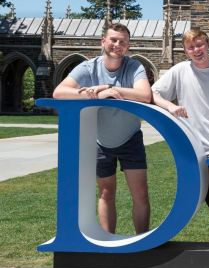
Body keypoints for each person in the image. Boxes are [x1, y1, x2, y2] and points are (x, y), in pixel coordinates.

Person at [52, 23, 152, 234]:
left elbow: (144, 95)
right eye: (113, 40)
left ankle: (143, 244)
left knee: (141, 194)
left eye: (122, 41)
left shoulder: (134, 67)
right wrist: (95, 94)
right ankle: (108, 242)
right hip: (99, 141)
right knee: (106, 193)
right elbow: (59, 93)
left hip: (130, 138)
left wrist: (109, 88)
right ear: (103, 41)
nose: (117, 45)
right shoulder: (89, 67)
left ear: (128, 46)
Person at [151, 28, 209, 221]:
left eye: (200, 44)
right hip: (197, 147)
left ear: (208, 44)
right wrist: (170, 105)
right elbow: (152, 93)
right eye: (191, 47)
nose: (197, 50)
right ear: (186, 51)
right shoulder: (179, 71)